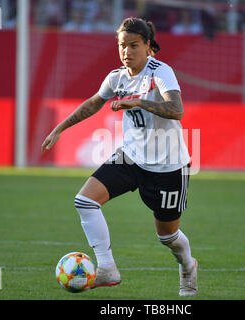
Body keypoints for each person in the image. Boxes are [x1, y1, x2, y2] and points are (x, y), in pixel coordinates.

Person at [41, 17, 197, 296]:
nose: (127, 52)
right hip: (131, 158)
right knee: (85, 201)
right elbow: (93, 103)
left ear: (148, 46)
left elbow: (176, 109)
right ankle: (107, 268)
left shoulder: (160, 72)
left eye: (134, 45)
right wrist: (60, 128)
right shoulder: (116, 77)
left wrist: (138, 101)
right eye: (122, 46)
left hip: (168, 166)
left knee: (168, 237)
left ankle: (187, 265)